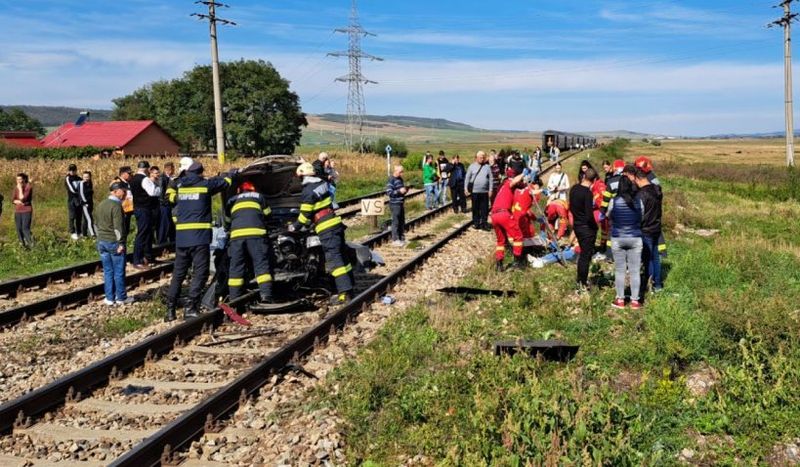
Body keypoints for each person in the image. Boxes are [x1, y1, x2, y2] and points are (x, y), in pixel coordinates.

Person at [165, 160, 232, 320]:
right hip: (199, 237)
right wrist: (231, 173)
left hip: (181, 237)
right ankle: (191, 307)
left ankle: (170, 311)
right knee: (200, 273)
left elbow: (169, 196)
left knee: (178, 274)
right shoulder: (205, 185)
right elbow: (225, 182)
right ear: (201, 172)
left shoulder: (180, 186)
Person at [292, 162, 354, 305]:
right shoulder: (322, 183)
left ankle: (344, 294)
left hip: (326, 227)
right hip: (335, 223)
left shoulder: (308, 191)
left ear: (303, 177)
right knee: (343, 258)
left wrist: (293, 228)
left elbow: (304, 216)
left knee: (335, 261)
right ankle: (350, 287)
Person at [223, 181, 276, 314]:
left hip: (236, 238)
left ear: (239, 191)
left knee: (236, 268)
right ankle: (266, 297)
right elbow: (268, 215)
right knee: (261, 265)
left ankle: (234, 301)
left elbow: (227, 222)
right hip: (256, 236)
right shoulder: (259, 197)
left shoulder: (231, 200)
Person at [607, 175, 644, 309]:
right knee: (635, 271)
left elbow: (608, 215)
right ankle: (635, 301)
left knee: (620, 270)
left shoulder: (614, 201)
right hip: (635, 237)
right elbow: (642, 216)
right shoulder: (638, 201)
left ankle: (620, 300)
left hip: (618, 237)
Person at [95, 182, 133, 306]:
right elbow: (118, 228)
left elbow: (96, 224)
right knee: (118, 271)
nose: (125, 194)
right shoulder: (116, 206)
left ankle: (109, 298)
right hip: (114, 242)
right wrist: (121, 243)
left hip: (102, 241)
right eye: (124, 191)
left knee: (108, 271)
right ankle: (121, 297)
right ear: (116, 191)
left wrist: (99, 238)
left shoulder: (101, 204)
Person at [634, 167, 664, 294]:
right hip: (656, 227)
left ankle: (649, 284)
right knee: (656, 257)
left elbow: (639, 214)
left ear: (638, 179)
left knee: (648, 258)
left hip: (645, 229)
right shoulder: (657, 189)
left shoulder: (641, 194)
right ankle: (658, 284)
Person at [569, 168, 599, 291]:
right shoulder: (588, 193)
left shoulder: (574, 189)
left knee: (583, 255)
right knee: (585, 256)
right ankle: (582, 282)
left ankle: (580, 280)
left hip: (577, 225)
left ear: (584, 176)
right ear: (594, 180)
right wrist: (595, 226)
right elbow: (589, 214)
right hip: (586, 228)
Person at [491, 170, 526, 271]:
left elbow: (521, 186)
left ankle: (499, 265)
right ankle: (517, 263)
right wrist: (524, 173)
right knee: (518, 236)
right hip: (503, 214)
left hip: (494, 215)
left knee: (500, 241)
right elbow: (514, 182)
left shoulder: (501, 189)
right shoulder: (507, 184)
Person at [131, 161, 160, 269]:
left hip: (138, 207)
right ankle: (138, 260)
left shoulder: (133, 179)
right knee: (143, 234)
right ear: (147, 169)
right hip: (145, 209)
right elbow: (152, 192)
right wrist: (159, 188)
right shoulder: (145, 179)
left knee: (145, 233)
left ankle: (147, 257)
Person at [464, 151, 493, 230]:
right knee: (475, 208)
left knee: (485, 208)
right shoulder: (471, 166)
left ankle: (484, 223)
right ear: (476, 158)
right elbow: (467, 178)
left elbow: (491, 179)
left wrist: (490, 190)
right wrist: (465, 188)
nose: (482, 159)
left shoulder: (487, 167)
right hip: (474, 191)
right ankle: (476, 223)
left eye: (483, 157)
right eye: (480, 157)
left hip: (485, 191)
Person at [386, 165, 408, 246]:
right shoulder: (391, 180)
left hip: (400, 202)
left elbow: (401, 191)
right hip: (395, 204)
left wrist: (405, 191)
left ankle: (402, 238)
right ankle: (395, 239)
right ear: (395, 171)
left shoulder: (400, 179)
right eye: (400, 172)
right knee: (396, 221)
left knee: (402, 221)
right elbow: (389, 192)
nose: (402, 173)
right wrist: (399, 191)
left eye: (402, 172)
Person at [157, 162, 176, 244]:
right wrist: (165, 202)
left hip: (169, 204)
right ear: (168, 169)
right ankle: (162, 243)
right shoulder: (162, 178)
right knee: (164, 225)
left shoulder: (169, 177)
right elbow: (162, 193)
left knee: (171, 225)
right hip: (164, 205)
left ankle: (172, 242)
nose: (173, 171)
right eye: (172, 169)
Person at [12, 173, 33, 248]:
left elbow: (23, 198)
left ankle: (31, 245)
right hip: (18, 211)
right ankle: (22, 245)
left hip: (26, 210)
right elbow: (13, 199)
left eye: (20, 179)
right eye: (17, 179)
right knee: (19, 228)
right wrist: (19, 202)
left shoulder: (28, 187)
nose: (18, 181)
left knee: (25, 228)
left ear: (24, 179)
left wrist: (20, 189)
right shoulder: (16, 188)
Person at [116, 166, 134, 247]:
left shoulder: (128, 182)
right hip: (122, 209)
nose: (131, 175)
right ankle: (120, 245)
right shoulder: (117, 182)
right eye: (129, 173)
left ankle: (124, 245)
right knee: (122, 229)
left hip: (128, 208)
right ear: (123, 174)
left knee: (126, 228)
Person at [65, 164, 83, 239]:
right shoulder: (68, 178)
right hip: (72, 199)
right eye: (70, 170)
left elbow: (83, 186)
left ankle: (79, 231)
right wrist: (79, 192)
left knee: (79, 216)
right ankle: (72, 231)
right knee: (72, 216)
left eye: (73, 170)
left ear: (76, 170)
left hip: (79, 200)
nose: (72, 172)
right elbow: (71, 189)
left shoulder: (79, 178)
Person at [78, 171, 96, 238]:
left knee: (85, 219)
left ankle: (84, 234)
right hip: (85, 204)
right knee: (89, 219)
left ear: (90, 177)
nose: (86, 178)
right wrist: (85, 203)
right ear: (82, 177)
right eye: (85, 177)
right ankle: (93, 235)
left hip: (90, 203)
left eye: (87, 177)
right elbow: (81, 194)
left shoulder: (90, 183)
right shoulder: (81, 183)